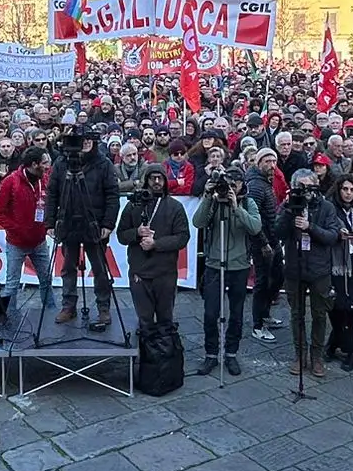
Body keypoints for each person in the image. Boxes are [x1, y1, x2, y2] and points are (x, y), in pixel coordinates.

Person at [48, 124, 120, 330]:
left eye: (89, 139)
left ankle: (103, 307)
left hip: (94, 222)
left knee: (99, 268)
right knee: (68, 266)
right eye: (82, 139)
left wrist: (108, 223)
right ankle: (68, 305)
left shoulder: (103, 163)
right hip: (69, 221)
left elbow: (112, 195)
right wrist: (50, 222)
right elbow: (52, 193)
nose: (86, 142)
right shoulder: (62, 163)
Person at [193, 163, 262, 375]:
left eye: (235, 184)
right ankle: (211, 354)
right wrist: (207, 196)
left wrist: (236, 207)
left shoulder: (248, 202)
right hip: (215, 264)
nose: (231, 188)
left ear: (242, 184)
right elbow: (198, 222)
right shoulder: (214, 201)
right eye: (228, 184)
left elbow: (255, 227)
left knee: (236, 314)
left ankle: (231, 353)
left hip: (239, 265)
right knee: (210, 312)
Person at [277, 166, 340, 377]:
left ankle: (317, 356)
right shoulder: (288, 205)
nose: (305, 192)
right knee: (296, 314)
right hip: (295, 268)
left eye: (308, 187)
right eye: (300, 187)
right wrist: (288, 210)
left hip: (319, 268)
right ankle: (299, 354)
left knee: (319, 314)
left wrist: (309, 226)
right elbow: (277, 232)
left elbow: (332, 236)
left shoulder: (327, 207)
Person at [116, 161, 190, 335]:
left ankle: (165, 359)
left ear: (165, 181)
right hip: (140, 272)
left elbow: (183, 237)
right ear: (146, 180)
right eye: (152, 178)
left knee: (166, 321)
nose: (156, 182)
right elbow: (121, 235)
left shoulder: (175, 207)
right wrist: (136, 232)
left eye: (160, 178)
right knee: (145, 322)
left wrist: (156, 244)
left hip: (165, 273)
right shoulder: (133, 205)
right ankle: (146, 358)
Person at [0, 146, 56, 308]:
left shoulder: (45, 179)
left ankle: (51, 313)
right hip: (16, 243)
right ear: (34, 164)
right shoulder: (10, 182)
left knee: (46, 280)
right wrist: (17, 229)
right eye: (45, 163)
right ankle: (9, 317)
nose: (48, 166)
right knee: (12, 284)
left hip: (39, 241)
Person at [327, 173, 353, 370]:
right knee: (336, 307)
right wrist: (337, 234)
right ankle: (350, 348)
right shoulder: (330, 208)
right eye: (345, 189)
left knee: (351, 308)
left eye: (352, 190)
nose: (349, 193)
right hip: (334, 262)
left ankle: (336, 345)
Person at [247, 145, 285, 340]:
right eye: (267, 161)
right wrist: (263, 243)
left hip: (273, 238)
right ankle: (258, 324)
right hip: (262, 242)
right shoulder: (254, 185)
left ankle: (266, 313)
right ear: (259, 162)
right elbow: (254, 218)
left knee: (278, 277)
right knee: (262, 282)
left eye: (274, 161)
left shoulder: (266, 181)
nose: (271, 165)